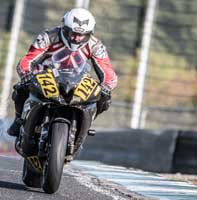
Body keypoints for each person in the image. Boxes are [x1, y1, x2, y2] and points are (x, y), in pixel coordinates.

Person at [7, 8, 117, 137]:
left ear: (89, 33)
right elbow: (28, 59)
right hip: (45, 76)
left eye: (82, 34)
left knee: (104, 97)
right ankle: (19, 119)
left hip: (76, 80)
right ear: (64, 28)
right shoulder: (48, 37)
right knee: (21, 87)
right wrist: (26, 73)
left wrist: (107, 86)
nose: (76, 38)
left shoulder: (96, 46)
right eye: (73, 33)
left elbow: (107, 70)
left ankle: (85, 125)